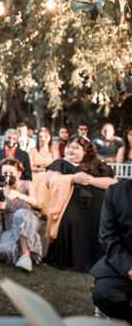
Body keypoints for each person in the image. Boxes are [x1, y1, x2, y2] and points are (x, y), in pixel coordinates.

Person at [44, 136, 117, 272]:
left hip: (97, 207)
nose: (71, 150)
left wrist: (93, 181)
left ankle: (98, 261)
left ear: (85, 151)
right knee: (71, 220)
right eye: (69, 147)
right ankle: (73, 261)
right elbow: (50, 181)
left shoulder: (98, 165)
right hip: (70, 205)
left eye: (76, 148)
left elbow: (114, 183)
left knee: (100, 223)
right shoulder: (60, 163)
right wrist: (72, 178)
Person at [90, 179, 132, 323]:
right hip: (123, 261)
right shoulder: (116, 192)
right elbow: (108, 236)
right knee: (104, 294)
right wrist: (128, 269)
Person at [0, 158, 42, 272]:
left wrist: (20, 195)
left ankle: (26, 255)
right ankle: (21, 253)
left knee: (19, 214)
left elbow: (35, 202)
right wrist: (1, 207)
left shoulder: (27, 184)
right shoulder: (0, 189)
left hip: (28, 220)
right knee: (3, 254)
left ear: (19, 173)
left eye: (11, 173)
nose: (8, 176)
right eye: (5, 173)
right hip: (10, 226)